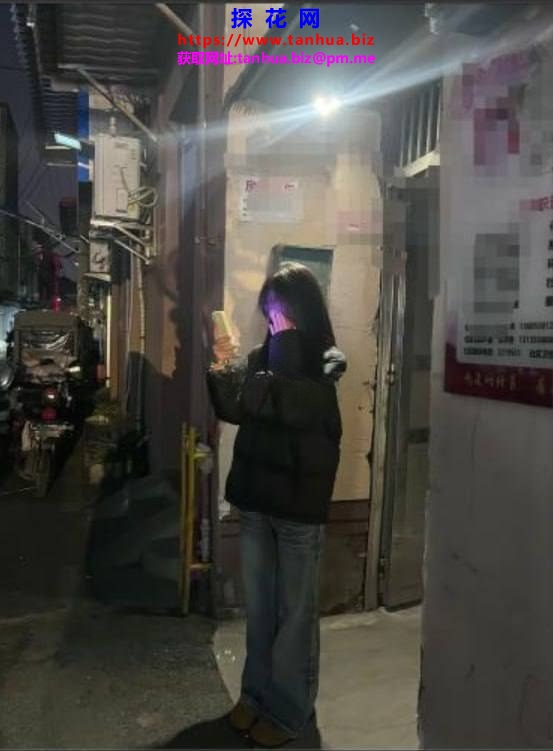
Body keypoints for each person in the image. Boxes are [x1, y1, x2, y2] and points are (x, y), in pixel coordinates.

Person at [206, 262, 346, 748]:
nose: (273, 321)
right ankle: (255, 695)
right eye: (269, 311)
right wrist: (224, 367)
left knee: (295, 616)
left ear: (302, 309)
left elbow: (299, 405)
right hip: (257, 505)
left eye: (280, 310)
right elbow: (235, 407)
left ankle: (288, 712)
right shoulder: (260, 358)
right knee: (261, 611)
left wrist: (276, 351)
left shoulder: (329, 360)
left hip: (298, 512)